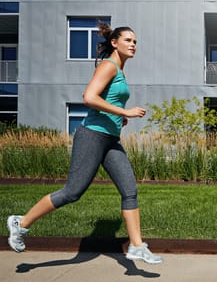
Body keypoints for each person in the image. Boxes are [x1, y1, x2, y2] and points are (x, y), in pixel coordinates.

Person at [7, 22, 163, 264]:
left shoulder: (120, 70)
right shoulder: (108, 66)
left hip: (110, 139)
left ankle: (136, 246)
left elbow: (106, 100)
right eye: (128, 41)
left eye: (135, 42)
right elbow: (89, 97)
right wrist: (127, 112)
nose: (133, 45)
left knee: (130, 190)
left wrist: (118, 116)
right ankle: (21, 222)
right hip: (92, 136)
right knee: (72, 192)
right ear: (114, 43)